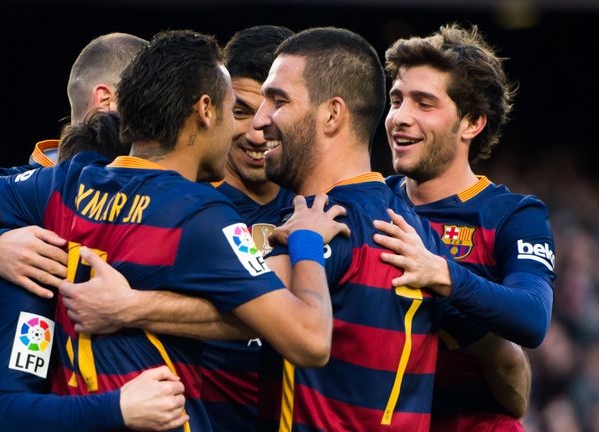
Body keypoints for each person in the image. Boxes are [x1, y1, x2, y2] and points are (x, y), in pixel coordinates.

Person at [0, 29, 349, 432]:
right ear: (204, 111)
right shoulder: (201, 217)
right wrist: (306, 241)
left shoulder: (62, 186)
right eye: (232, 108)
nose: (248, 128)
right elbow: (310, 341)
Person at [246, 26, 484, 432]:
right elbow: (508, 363)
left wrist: (129, 306)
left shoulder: (324, 222)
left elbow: (231, 305)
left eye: (278, 100)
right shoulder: (416, 232)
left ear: (332, 114)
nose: (260, 120)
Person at [372, 23, 556, 430]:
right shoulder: (369, 203)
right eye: (397, 100)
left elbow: (532, 317)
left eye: (424, 103)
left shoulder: (512, 215)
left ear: (472, 122)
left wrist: (442, 273)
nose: (400, 118)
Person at [201, 24, 295, 431]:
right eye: (240, 111)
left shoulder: (326, 207)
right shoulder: (182, 202)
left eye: (274, 111)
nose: (258, 131)